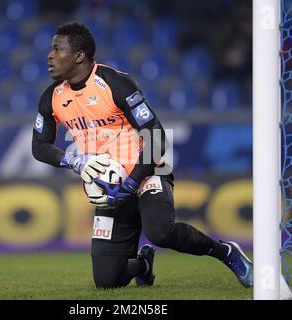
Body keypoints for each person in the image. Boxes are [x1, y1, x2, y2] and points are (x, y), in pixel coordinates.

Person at [32, 22, 253, 289]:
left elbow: (156, 137)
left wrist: (133, 181)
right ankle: (143, 264)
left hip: (147, 172)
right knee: (107, 281)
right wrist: (74, 160)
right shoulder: (52, 97)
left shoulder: (115, 83)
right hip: (110, 186)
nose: (50, 55)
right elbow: (39, 146)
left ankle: (226, 253)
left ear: (79, 55)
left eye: (57, 49)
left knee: (161, 233)